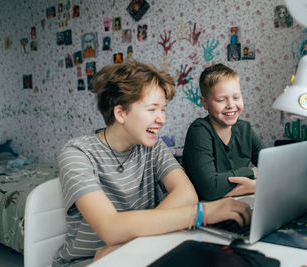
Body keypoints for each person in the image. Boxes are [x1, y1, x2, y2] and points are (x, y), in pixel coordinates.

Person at [53, 61, 251, 266]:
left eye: (163, 109)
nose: (161, 119)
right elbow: (110, 228)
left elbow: (186, 194)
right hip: (93, 260)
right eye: (152, 109)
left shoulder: (152, 146)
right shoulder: (77, 153)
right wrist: (202, 213)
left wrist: (133, 241)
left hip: (141, 251)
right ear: (120, 113)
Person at [182, 63, 264, 201]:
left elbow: (273, 170)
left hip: (240, 202)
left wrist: (253, 185)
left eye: (236, 97)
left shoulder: (245, 129)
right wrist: (252, 173)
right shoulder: (199, 131)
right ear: (205, 103)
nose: (231, 105)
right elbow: (210, 188)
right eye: (221, 99)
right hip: (208, 210)